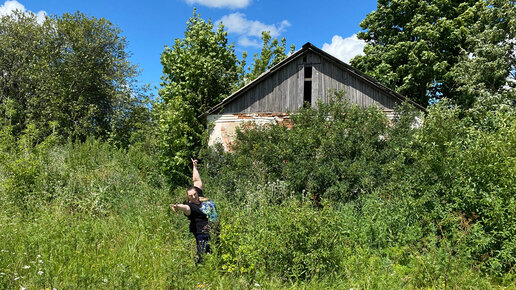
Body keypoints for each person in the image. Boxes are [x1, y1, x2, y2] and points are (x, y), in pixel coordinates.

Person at [170, 158, 214, 264]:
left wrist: (194, 166)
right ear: (188, 197)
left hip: (215, 231)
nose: (194, 196)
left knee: (215, 255)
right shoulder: (191, 206)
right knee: (204, 258)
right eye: (191, 196)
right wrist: (177, 206)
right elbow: (185, 208)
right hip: (202, 234)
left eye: (195, 194)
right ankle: (201, 273)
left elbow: (197, 181)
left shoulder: (199, 196)